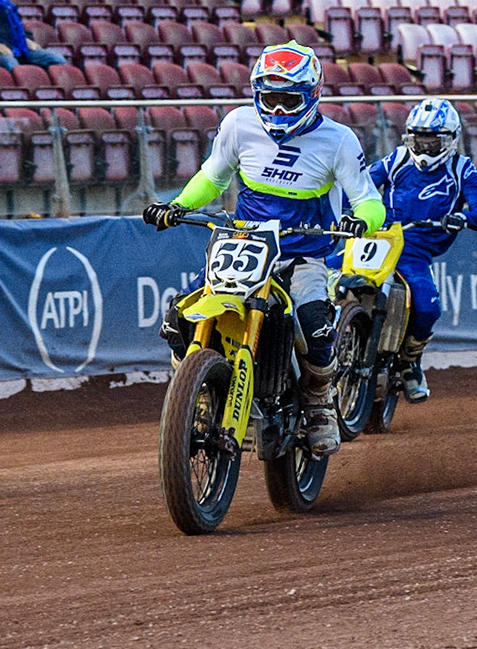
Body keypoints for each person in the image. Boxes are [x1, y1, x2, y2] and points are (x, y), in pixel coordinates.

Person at [142, 43, 386, 456]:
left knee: (313, 325)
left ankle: (318, 402)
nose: (276, 109)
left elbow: (368, 199)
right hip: (245, 244)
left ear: (311, 96)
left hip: (304, 253)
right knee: (178, 316)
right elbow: (213, 178)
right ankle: (195, 393)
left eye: (287, 99)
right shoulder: (238, 124)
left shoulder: (338, 139)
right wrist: (178, 206)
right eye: (268, 98)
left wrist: (362, 221)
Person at [360, 98, 477, 404]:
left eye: (432, 142)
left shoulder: (462, 170)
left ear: (451, 140)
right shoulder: (396, 160)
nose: (424, 149)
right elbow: (362, 184)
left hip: (415, 250)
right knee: (328, 278)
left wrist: (463, 217)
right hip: (375, 239)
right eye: (418, 141)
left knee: (428, 307)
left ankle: (410, 361)